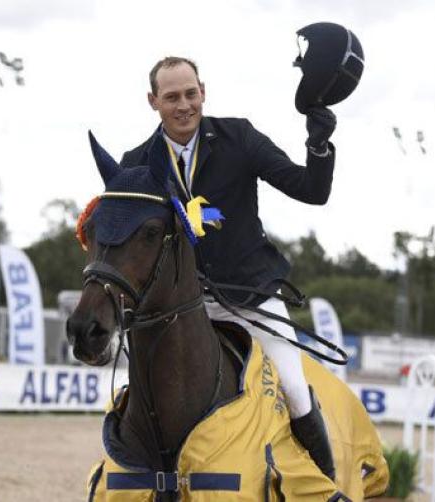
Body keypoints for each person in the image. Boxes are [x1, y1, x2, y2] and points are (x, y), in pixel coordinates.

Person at [119, 56, 339, 479]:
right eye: (171, 97)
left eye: (191, 94)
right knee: (136, 396)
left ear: (203, 91)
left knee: (294, 390)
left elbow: (312, 190)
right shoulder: (136, 163)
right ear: (153, 101)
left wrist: (318, 146)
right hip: (176, 308)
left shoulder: (238, 137)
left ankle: (327, 487)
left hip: (250, 296)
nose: (184, 105)